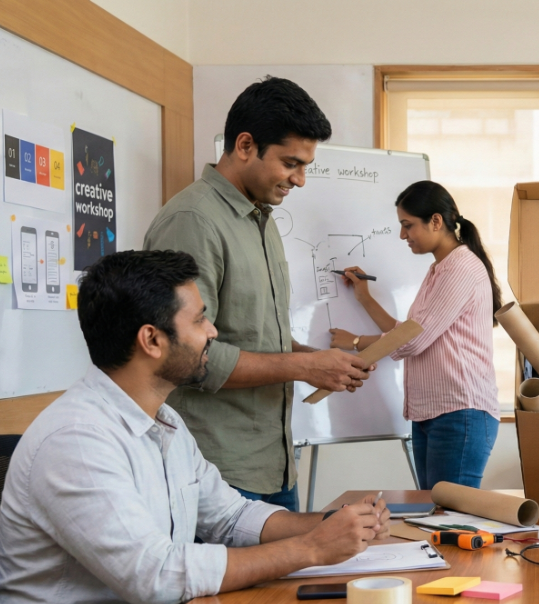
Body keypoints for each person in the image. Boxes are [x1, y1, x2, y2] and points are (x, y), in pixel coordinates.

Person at [0, 250, 391, 604]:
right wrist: (312, 549)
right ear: (152, 340)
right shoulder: (77, 441)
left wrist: (332, 524)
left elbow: (231, 517)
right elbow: (154, 575)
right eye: (198, 319)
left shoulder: (165, 421)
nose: (212, 331)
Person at [143, 77, 372, 511]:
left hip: (275, 463)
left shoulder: (261, 219)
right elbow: (191, 357)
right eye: (291, 163)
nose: (300, 180)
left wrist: (322, 364)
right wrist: (305, 364)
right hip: (217, 473)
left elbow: (259, 337)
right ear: (245, 145)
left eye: (306, 166)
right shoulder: (194, 220)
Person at [328, 181, 501, 488]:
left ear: (436, 221)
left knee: (451, 523)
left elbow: (412, 340)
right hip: (436, 413)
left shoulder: (459, 269)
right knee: (436, 520)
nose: (402, 235)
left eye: (408, 225)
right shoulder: (440, 269)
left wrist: (355, 342)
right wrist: (364, 297)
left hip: (459, 412)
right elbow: (406, 332)